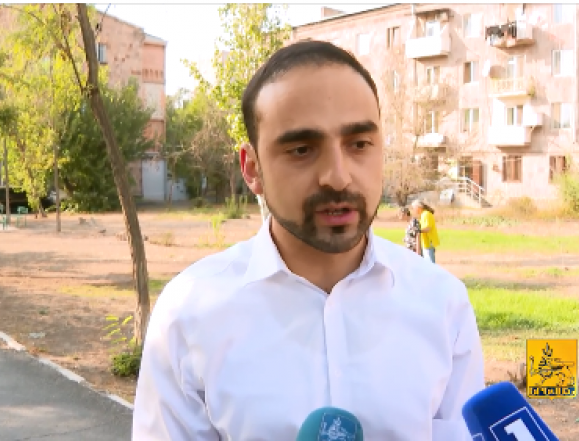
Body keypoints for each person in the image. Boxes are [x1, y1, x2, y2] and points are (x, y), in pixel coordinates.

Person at [132, 40, 484, 440]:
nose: (338, 176)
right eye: (301, 150)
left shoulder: (443, 305)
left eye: (359, 144)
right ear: (252, 168)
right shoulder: (188, 315)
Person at [412, 198, 440, 264]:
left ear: (418, 207)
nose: (414, 210)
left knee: (430, 263)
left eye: (414, 208)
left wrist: (418, 230)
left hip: (429, 242)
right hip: (425, 243)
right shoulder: (423, 215)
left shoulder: (426, 214)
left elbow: (428, 228)